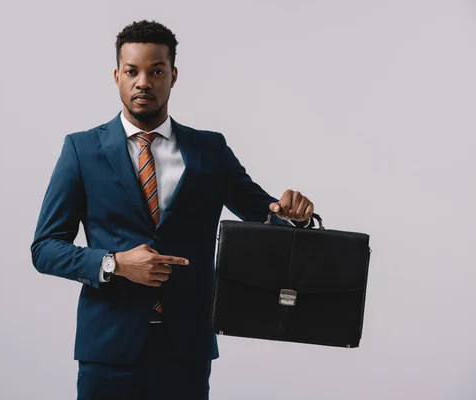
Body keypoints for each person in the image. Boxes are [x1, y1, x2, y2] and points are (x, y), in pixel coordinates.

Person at [30, 19, 315, 400]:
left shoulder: (209, 150)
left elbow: (265, 214)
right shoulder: (82, 151)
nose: (143, 82)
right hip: (109, 349)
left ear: (173, 75)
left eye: (156, 71)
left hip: (187, 349)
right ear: (117, 76)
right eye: (132, 71)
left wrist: (296, 217)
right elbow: (45, 248)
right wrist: (114, 263)